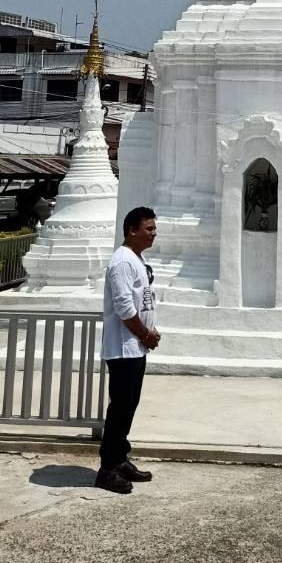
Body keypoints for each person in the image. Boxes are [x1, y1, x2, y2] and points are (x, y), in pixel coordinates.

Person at [95, 205, 160, 495]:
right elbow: (123, 307)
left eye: (154, 229)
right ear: (132, 230)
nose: (153, 234)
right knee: (120, 407)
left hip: (136, 347)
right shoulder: (122, 262)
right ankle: (107, 468)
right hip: (124, 347)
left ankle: (120, 458)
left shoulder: (136, 259)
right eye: (149, 229)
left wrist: (148, 334)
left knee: (129, 406)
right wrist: (145, 334)